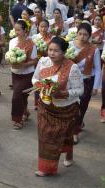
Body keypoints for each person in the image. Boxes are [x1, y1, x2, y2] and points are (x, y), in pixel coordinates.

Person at [32, 37, 84, 177]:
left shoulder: (72, 67)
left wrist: (63, 93)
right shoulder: (43, 62)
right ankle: (46, 168)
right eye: (50, 50)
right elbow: (35, 78)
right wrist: (40, 86)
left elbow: (80, 90)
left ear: (64, 52)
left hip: (65, 109)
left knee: (65, 136)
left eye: (56, 51)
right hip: (45, 106)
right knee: (46, 136)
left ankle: (69, 154)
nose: (52, 53)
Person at [69, 23, 101, 143]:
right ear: (76, 34)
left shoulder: (94, 49)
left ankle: (75, 131)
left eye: (85, 34)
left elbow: (98, 69)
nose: (82, 37)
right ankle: (74, 126)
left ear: (89, 36)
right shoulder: (69, 46)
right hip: (70, 81)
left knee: (82, 106)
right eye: (80, 34)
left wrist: (96, 87)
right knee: (71, 106)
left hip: (86, 81)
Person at [9, 19, 38, 129]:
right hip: (15, 73)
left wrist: (23, 65)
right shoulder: (12, 42)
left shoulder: (31, 43)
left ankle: (17, 119)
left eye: (18, 30)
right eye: (15, 30)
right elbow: (10, 56)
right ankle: (25, 112)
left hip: (27, 74)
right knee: (22, 96)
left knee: (17, 96)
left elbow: (35, 61)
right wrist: (12, 62)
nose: (16, 32)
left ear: (25, 30)